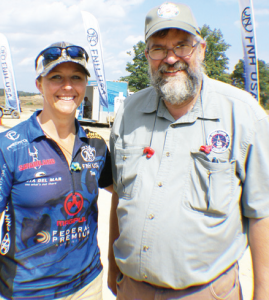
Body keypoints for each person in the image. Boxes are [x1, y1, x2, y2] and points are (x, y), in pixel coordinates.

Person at [108, 2, 269, 299]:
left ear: (202, 49)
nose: (171, 58)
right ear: (147, 56)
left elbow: (262, 213)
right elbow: (120, 195)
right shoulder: (128, 113)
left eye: (182, 46)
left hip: (206, 292)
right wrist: (113, 267)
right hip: (132, 289)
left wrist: (263, 291)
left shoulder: (244, 115)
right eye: (158, 48)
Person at [0, 41, 113, 300]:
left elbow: (126, 195)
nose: (67, 86)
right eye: (56, 77)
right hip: (27, 290)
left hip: (88, 285)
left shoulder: (96, 144)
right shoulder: (6, 147)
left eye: (76, 78)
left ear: (84, 85)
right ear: (39, 84)